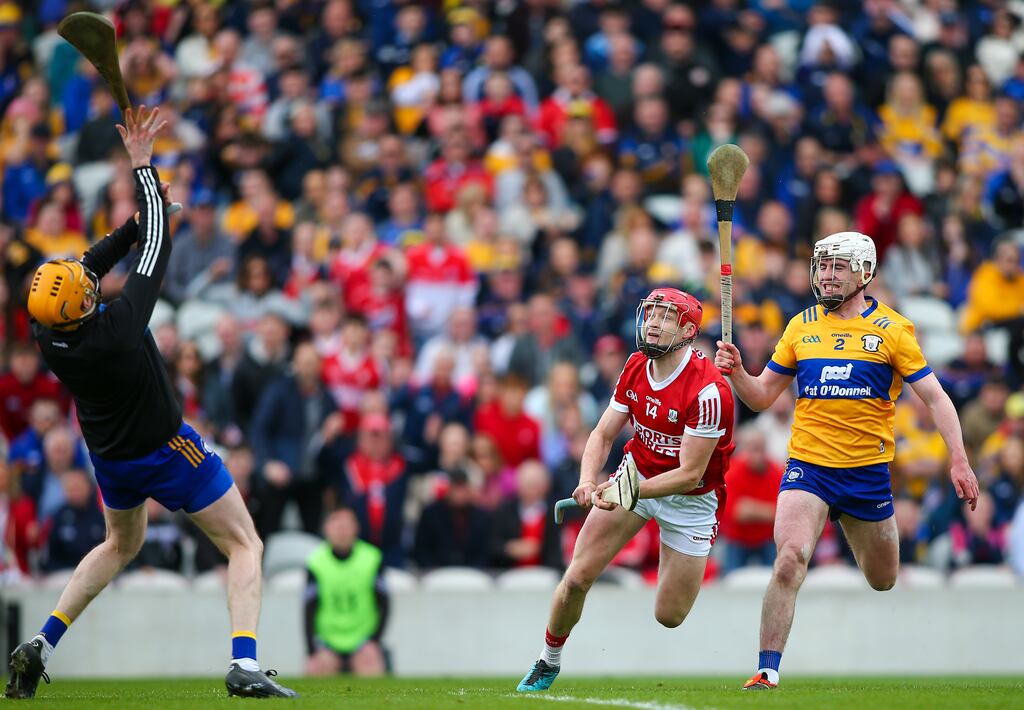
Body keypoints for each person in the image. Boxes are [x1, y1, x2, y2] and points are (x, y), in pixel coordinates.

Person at [5, 106, 296, 700]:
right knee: (246, 544)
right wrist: (144, 172)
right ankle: (244, 661)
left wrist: (135, 224)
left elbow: (95, 261)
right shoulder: (118, 330)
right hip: (166, 448)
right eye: (81, 287)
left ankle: (42, 643)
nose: (85, 277)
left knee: (119, 545)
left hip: (111, 456)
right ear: (83, 307)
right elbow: (156, 245)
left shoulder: (48, 330)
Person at [714, 231, 979, 691]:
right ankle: (767, 668)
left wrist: (959, 460)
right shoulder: (800, 327)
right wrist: (738, 371)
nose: (827, 275)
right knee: (789, 559)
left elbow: (936, 399)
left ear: (865, 274)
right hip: (808, 467)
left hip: (867, 474)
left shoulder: (893, 330)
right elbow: (759, 397)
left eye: (838, 266)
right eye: (822, 266)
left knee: (882, 579)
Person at [516, 288, 735, 693]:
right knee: (578, 575)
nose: (652, 322)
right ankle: (548, 661)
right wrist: (586, 479)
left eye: (665, 317)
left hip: (691, 499)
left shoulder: (709, 392)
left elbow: (689, 474)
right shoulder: (635, 365)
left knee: (669, 615)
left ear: (687, 330)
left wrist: (629, 493)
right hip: (637, 473)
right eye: (650, 313)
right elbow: (601, 434)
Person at [304, 506, 388, 677]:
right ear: (326, 528)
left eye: (347, 524)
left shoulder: (371, 558)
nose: (342, 530)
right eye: (336, 523)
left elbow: (385, 604)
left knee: (372, 670)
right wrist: (312, 650)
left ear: (356, 528)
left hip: (362, 639)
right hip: (328, 641)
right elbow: (308, 608)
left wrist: (374, 641)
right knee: (315, 671)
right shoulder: (316, 562)